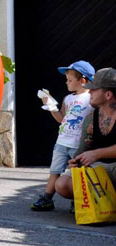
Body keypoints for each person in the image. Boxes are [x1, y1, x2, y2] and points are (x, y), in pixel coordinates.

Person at [30, 60, 94, 211]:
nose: (67, 83)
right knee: (55, 170)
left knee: (76, 173)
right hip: (62, 142)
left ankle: (77, 201)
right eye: (67, 80)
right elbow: (61, 119)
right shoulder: (68, 98)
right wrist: (51, 106)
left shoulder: (91, 99)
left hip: (79, 145)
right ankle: (47, 198)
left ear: (83, 80)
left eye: (70, 80)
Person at [54, 67, 116, 204]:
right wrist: (75, 161)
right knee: (62, 184)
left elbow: (94, 153)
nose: (90, 92)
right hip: (99, 170)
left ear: (108, 95)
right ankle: (103, 204)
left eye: (94, 89)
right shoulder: (91, 118)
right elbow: (84, 146)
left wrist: (97, 154)